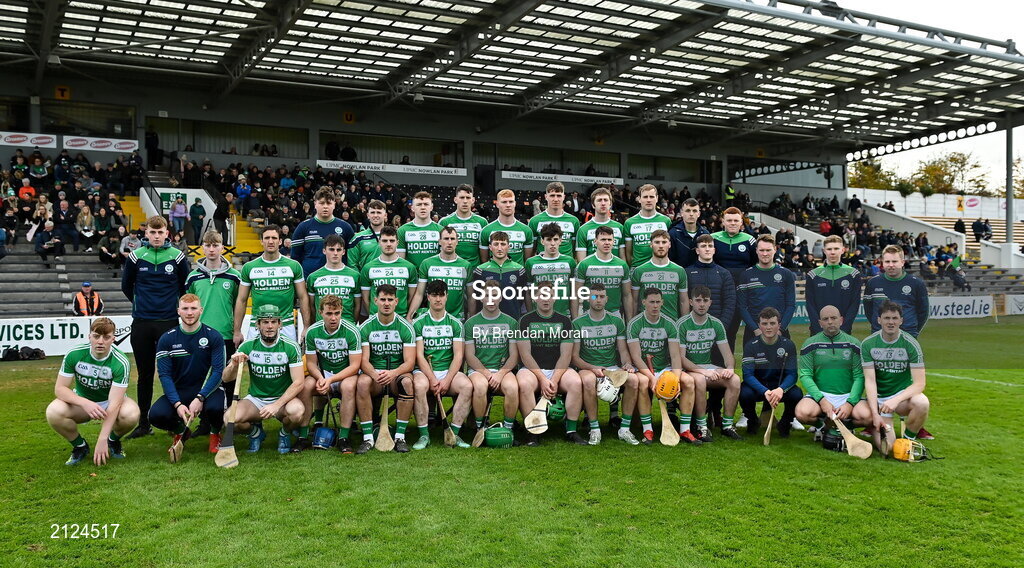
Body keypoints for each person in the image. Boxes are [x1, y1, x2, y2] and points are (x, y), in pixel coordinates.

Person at [122, 215, 190, 439]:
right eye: (153, 232)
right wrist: (141, 304)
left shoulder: (177, 257)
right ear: (146, 233)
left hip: (169, 323)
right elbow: (126, 286)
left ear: (167, 233)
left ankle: (175, 422)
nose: (157, 236)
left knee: (173, 373)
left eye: (160, 232)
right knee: (145, 374)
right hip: (142, 322)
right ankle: (143, 423)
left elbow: (184, 287)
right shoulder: (136, 256)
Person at [46, 317, 139, 466]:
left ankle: (112, 441)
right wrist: (85, 403)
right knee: (53, 412)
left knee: (131, 414)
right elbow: (60, 389)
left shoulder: (121, 362)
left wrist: (102, 439)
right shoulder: (75, 354)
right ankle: (80, 446)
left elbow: (115, 403)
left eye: (106, 337)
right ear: (89, 336)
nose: (100, 341)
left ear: (113, 339)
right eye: (96, 336)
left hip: (110, 402)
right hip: (82, 403)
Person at [150, 295, 227, 457]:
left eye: (193, 308)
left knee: (216, 408)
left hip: (208, 390)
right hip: (181, 390)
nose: (189, 313)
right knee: (156, 415)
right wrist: (177, 404)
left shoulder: (214, 336)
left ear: (201, 310)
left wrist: (200, 397)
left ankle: (215, 434)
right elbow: (164, 375)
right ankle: (181, 432)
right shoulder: (167, 338)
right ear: (178, 311)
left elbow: (218, 372)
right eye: (185, 308)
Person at [224, 304, 306, 454]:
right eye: (265, 322)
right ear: (258, 324)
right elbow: (226, 378)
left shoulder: (290, 346)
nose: (269, 326)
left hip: (283, 400)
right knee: (229, 419)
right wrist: (233, 365)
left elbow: (299, 382)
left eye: (273, 322)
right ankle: (256, 433)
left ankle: (284, 433)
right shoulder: (248, 346)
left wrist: (276, 405)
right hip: (256, 399)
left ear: (280, 324)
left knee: (297, 412)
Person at [516, 281, 586, 446]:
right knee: (524, 384)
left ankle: (571, 431)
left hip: (559, 370)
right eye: (542, 295)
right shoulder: (525, 320)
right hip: (532, 370)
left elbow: (566, 355)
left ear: (555, 298)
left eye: (549, 295)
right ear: (535, 298)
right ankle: (532, 431)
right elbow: (525, 355)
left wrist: (553, 380)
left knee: (576, 382)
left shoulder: (565, 321)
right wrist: (542, 379)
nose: (546, 299)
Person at [627, 288, 699, 445]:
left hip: (665, 368)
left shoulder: (670, 323)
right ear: (644, 302)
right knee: (643, 383)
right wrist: (652, 378)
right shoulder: (634, 324)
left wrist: (676, 380)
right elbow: (636, 357)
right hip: (643, 369)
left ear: (662, 303)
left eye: (658, 302)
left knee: (688, 382)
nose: (655, 305)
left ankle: (685, 430)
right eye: (651, 302)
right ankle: (648, 430)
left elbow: (675, 356)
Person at [572, 282, 641, 445]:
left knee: (633, 380)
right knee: (588, 381)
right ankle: (595, 429)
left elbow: (623, 351)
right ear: (587, 298)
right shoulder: (578, 323)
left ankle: (624, 429)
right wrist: (592, 368)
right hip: (588, 367)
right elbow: (574, 357)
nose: (598, 300)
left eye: (601, 296)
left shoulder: (616, 321)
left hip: (611, 367)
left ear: (607, 299)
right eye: (594, 296)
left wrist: (627, 364)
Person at [354, 285, 418, 454]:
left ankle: (400, 437)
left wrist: (393, 373)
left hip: (396, 374)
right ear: (375, 301)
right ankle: (368, 437)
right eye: (383, 299)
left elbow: (410, 362)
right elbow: (363, 361)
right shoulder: (365, 327)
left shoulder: (405, 327)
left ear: (396, 301)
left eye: (390, 300)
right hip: (375, 376)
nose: (386, 303)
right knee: (362, 383)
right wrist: (375, 374)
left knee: (407, 383)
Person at [795, 306, 872, 442]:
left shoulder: (854, 344)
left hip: (847, 394)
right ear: (820, 323)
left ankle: (846, 427)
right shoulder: (810, 344)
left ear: (841, 320)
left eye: (833, 318)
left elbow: (859, 376)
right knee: (802, 413)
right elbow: (805, 376)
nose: (830, 322)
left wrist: (850, 403)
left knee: (868, 417)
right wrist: (822, 400)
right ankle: (822, 426)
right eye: (825, 319)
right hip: (821, 395)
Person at [411, 280, 473, 449]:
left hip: (447, 371)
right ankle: (424, 435)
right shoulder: (419, 323)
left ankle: (454, 434)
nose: (438, 299)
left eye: (441, 295)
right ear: (428, 297)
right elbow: (419, 355)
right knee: (419, 386)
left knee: (467, 386)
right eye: (434, 295)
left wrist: (446, 380)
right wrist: (432, 379)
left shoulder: (455, 323)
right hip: (425, 372)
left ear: (446, 297)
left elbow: (458, 356)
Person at [862, 301, 931, 449]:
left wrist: (895, 400)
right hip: (880, 400)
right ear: (879, 320)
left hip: (901, 398)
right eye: (886, 318)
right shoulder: (868, 344)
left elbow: (920, 384)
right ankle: (876, 425)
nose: (891, 322)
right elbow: (870, 381)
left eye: (894, 318)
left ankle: (907, 441)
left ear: (901, 320)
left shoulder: (911, 344)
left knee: (922, 403)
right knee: (887, 448)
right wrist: (875, 412)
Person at [677, 285, 743, 441]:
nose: (702, 304)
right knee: (700, 380)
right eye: (698, 300)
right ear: (691, 302)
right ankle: (702, 426)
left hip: (708, 367)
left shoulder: (716, 323)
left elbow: (728, 354)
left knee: (734, 380)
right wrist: (703, 371)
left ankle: (727, 426)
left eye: (705, 300)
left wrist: (730, 367)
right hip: (688, 370)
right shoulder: (682, 324)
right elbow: (681, 359)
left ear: (710, 303)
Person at [301, 294, 362, 453]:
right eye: (329, 313)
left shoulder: (352, 331)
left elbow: (355, 366)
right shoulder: (313, 331)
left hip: (346, 375)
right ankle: (303, 436)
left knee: (348, 386)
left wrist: (331, 380)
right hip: (324, 373)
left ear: (341, 311)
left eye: (337, 313)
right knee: (306, 385)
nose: (333, 318)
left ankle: (344, 437)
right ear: (320, 312)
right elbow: (311, 363)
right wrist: (321, 378)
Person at [464, 279, 522, 440]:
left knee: (512, 387)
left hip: (502, 370)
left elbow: (514, 356)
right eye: (487, 295)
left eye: (494, 295)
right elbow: (470, 356)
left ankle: (508, 429)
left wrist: (500, 374)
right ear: (481, 298)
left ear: (501, 298)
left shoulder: (511, 322)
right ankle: (480, 428)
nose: (491, 299)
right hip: (478, 371)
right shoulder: (471, 323)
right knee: (480, 387)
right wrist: (488, 374)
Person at [234, 225, 309, 345]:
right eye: (267, 238)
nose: (270, 241)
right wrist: (237, 331)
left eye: (274, 238)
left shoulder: (293, 266)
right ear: (261, 241)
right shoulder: (249, 267)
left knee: (288, 358)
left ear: (280, 241)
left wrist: (306, 327)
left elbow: (303, 297)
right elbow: (242, 300)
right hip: (257, 325)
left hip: (286, 325)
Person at [740, 307, 801, 437]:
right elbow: (748, 375)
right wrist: (765, 391)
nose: (768, 327)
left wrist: (781, 389)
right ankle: (753, 420)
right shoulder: (751, 345)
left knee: (796, 394)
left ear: (779, 325)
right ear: (759, 325)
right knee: (744, 393)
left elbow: (792, 374)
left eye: (772, 323)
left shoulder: (788, 345)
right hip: (758, 388)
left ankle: (785, 423)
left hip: (778, 387)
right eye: (765, 323)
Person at [711, 207, 757, 353]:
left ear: (741, 222)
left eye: (736, 220)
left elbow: (754, 266)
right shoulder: (713, 238)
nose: (732, 223)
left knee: (731, 331)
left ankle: (728, 364)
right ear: (723, 221)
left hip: (740, 293)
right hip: (717, 292)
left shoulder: (749, 240)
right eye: (729, 220)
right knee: (715, 330)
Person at [737, 234, 795, 347]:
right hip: (753, 333)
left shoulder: (786, 274)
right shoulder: (746, 275)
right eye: (761, 250)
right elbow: (742, 307)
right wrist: (756, 330)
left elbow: (791, 305)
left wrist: (780, 329)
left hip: (780, 332)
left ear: (775, 250)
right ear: (756, 251)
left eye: (768, 250)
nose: (765, 253)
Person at [863, 245, 929, 337]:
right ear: (882, 262)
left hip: (908, 335)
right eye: (887, 261)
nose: (891, 265)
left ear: (902, 262)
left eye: (894, 261)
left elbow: (923, 312)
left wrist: (912, 330)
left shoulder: (916, 283)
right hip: (879, 335)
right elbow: (868, 310)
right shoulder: (873, 283)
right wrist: (878, 326)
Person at [359, 225, 420, 321]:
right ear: (379, 242)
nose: (388, 244)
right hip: (376, 319)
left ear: (397, 243)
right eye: (384, 241)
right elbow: (366, 300)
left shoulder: (409, 268)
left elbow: (410, 297)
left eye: (392, 241)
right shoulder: (368, 268)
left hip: (400, 318)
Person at [292, 187, 354, 276]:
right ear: (315, 204)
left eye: (329, 203)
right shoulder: (303, 227)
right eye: (321, 203)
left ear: (334, 204)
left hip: (339, 278)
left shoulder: (345, 227)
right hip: (309, 279)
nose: (325, 206)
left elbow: (352, 258)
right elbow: (295, 258)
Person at [806, 235, 861, 335]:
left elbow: (854, 304)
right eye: (829, 249)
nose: (832, 252)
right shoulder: (813, 275)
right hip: (818, 332)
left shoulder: (853, 274)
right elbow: (810, 305)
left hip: (844, 332)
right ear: (824, 251)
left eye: (836, 248)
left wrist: (845, 328)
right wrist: (818, 328)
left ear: (842, 250)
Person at [575, 225, 632, 320]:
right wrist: (574, 319)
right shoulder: (584, 264)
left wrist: (629, 320)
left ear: (614, 242)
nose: (607, 243)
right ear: (595, 241)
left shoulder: (622, 265)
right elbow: (576, 295)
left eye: (609, 240)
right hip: (589, 314)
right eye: (603, 240)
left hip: (614, 314)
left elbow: (627, 295)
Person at [630, 229, 688, 321]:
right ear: (651, 245)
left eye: (664, 242)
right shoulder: (639, 271)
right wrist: (632, 323)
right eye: (657, 242)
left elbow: (683, 301)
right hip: (645, 324)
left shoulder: (679, 271)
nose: (661, 246)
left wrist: (684, 324)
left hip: (672, 323)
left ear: (669, 244)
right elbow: (634, 301)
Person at [417, 227, 473, 319]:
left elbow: (471, 296)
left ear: (457, 241)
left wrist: (472, 317)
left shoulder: (465, 266)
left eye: (452, 239)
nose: (449, 242)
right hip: (433, 318)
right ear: (439, 241)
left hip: (458, 318)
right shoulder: (427, 264)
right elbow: (419, 294)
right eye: (446, 239)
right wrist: (410, 315)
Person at [525, 223, 577, 318]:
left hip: (564, 315)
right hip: (539, 316)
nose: (552, 243)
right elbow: (528, 292)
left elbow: (573, 293)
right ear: (542, 241)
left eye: (555, 239)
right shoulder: (531, 262)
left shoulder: (569, 262)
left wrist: (574, 318)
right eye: (549, 239)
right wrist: (530, 315)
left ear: (560, 241)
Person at [305, 233, 361, 323]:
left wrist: (351, 323)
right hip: (322, 326)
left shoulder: (355, 276)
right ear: (324, 251)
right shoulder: (313, 277)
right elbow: (312, 307)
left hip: (347, 325)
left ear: (343, 252)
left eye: (338, 250)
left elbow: (357, 306)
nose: (335, 253)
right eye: (331, 249)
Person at [470, 231, 527, 318]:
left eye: (503, 244)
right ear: (490, 247)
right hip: (487, 320)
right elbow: (476, 297)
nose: (499, 248)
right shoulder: (480, 270)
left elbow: (522, 296)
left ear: (508, 247)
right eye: (496, 244)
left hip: (512, 318)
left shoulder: (519, 270)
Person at [439, 184, 487, 270]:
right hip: (452, 269)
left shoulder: (482, 222)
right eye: (461, 197)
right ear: (455, 199)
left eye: (468, 198)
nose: (465, 201)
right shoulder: (444, 222)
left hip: (475, 270)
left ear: (473, 200)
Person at [479, 189, 533, 265]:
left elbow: (527, 261)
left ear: (515, 203)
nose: (508, 205)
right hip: (494, 272)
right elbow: (484, 262)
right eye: (504, 202)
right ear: (497, 204)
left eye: (511, 202)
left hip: (518, 272)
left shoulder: (526, 230)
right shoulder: (486, 231)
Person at [624, 184, 671, 268]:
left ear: (657, 198)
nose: (648, 200)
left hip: (661, 267)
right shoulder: (629, 223)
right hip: (637, 268)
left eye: (651, 197)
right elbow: (628, 253)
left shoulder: (666, 221)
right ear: (639, 199)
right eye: (645, 197)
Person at [529, 182, 580, 257]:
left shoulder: (574, 221)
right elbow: (532, 250)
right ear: (546, 197)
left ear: (563, 197)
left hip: (566, 263)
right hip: (544, 263)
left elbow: (575, 247)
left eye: (559, 196)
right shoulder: (535, 221)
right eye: (552, 195)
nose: (556, 199)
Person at [576, 187, 625, 262]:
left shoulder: (619, 227)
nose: (603, 203)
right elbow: (581, 262)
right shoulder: (583, 229)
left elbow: (623, 258)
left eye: (606, 200)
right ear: (593, 205)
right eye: (599, 200)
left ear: (610, 204)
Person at [397, 191, 442, 270]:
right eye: (419, 204)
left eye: (426, 204)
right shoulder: (402, 230)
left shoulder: (441, 230)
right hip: (412, 276)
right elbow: (401, 261)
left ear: (431, 207)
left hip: (434, 275)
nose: (423, 207)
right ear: (412, 208)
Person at [348, 199, 387, 275]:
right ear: (368, 215)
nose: (375, 215)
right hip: (366, 281)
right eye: (372, 212)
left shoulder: (394, 237)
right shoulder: (357, 238)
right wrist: (362, 279)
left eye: (379, 212)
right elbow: (352, 265)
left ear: (385, 215)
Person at [668, 198, 709, 268]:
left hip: (700, 273)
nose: (691, 214)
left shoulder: (705, 234)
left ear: (699, 214)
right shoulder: (673, 234)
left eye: (694, 211)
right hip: (679, 273)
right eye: (688, 211)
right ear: (681, 213)